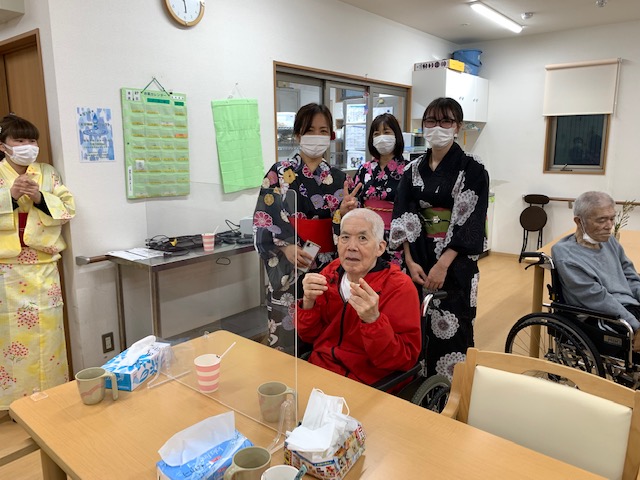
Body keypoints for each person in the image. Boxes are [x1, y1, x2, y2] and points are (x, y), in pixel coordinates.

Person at [389, 97, 489, 380]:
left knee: (453, 325)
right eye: (431, 121)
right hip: (418, 257)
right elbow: (403, 213)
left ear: (457, 126)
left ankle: (450, 389)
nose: (438, 127)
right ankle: (419, 384)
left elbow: (471, 219)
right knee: (415, 322)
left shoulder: (472, 168)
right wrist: (409, 261)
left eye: (446, 121)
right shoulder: (412, 169)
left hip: (455, 262)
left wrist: (443, 264)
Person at [254, 103, 350, 353]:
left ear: (330, 136)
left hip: (328, 265)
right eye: (309, 130)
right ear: (297, 135)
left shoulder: (340, 179)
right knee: (289, 336)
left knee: (326, 333)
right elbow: (265, 217)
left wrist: (345, 213)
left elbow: (347, 227)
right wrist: (285, 247)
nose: (317, 136)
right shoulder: (278, 173)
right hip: (290, 263)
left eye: (323, 131)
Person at [0, 114, 75, 410]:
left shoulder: (47, 172)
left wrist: (41, 198)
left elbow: (68, 208)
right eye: (19, 140)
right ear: (3, 145)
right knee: (10, 335)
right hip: (7, 268)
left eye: (31, 140)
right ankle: (14, 404)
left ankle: (53, 396)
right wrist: (10, 197)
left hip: (44, 264)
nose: (27, 145)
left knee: (48, 331)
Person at [297, 208, 421, 385]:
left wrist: (373, 320)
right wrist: (308, 302)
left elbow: (404, 359)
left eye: (362, 238)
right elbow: (309, 337)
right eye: (345, 237)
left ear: (380, 248)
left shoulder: (399, 287)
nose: (351, 247)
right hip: (321, 368)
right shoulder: (330, 273)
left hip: (369, 381)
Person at [552, 191, 640, 350]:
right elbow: (598, 299)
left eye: (612, 218)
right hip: (601, 316)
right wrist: (635, 325)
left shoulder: (609, 241)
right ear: (579, 221)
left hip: (629, 308)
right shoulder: (567, 256)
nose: (609, 225)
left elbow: (630, 277)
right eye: (601, 220)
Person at [337, 113, 410, 268]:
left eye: (387, 132)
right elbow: (355, 203)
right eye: (377, 134)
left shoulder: (408, 169)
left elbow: (412, 209)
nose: (381, 137)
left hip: (397, 237)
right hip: (366, 236)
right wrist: (348, 207)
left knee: (393, 278)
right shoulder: (364, 169)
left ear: (397, 136)